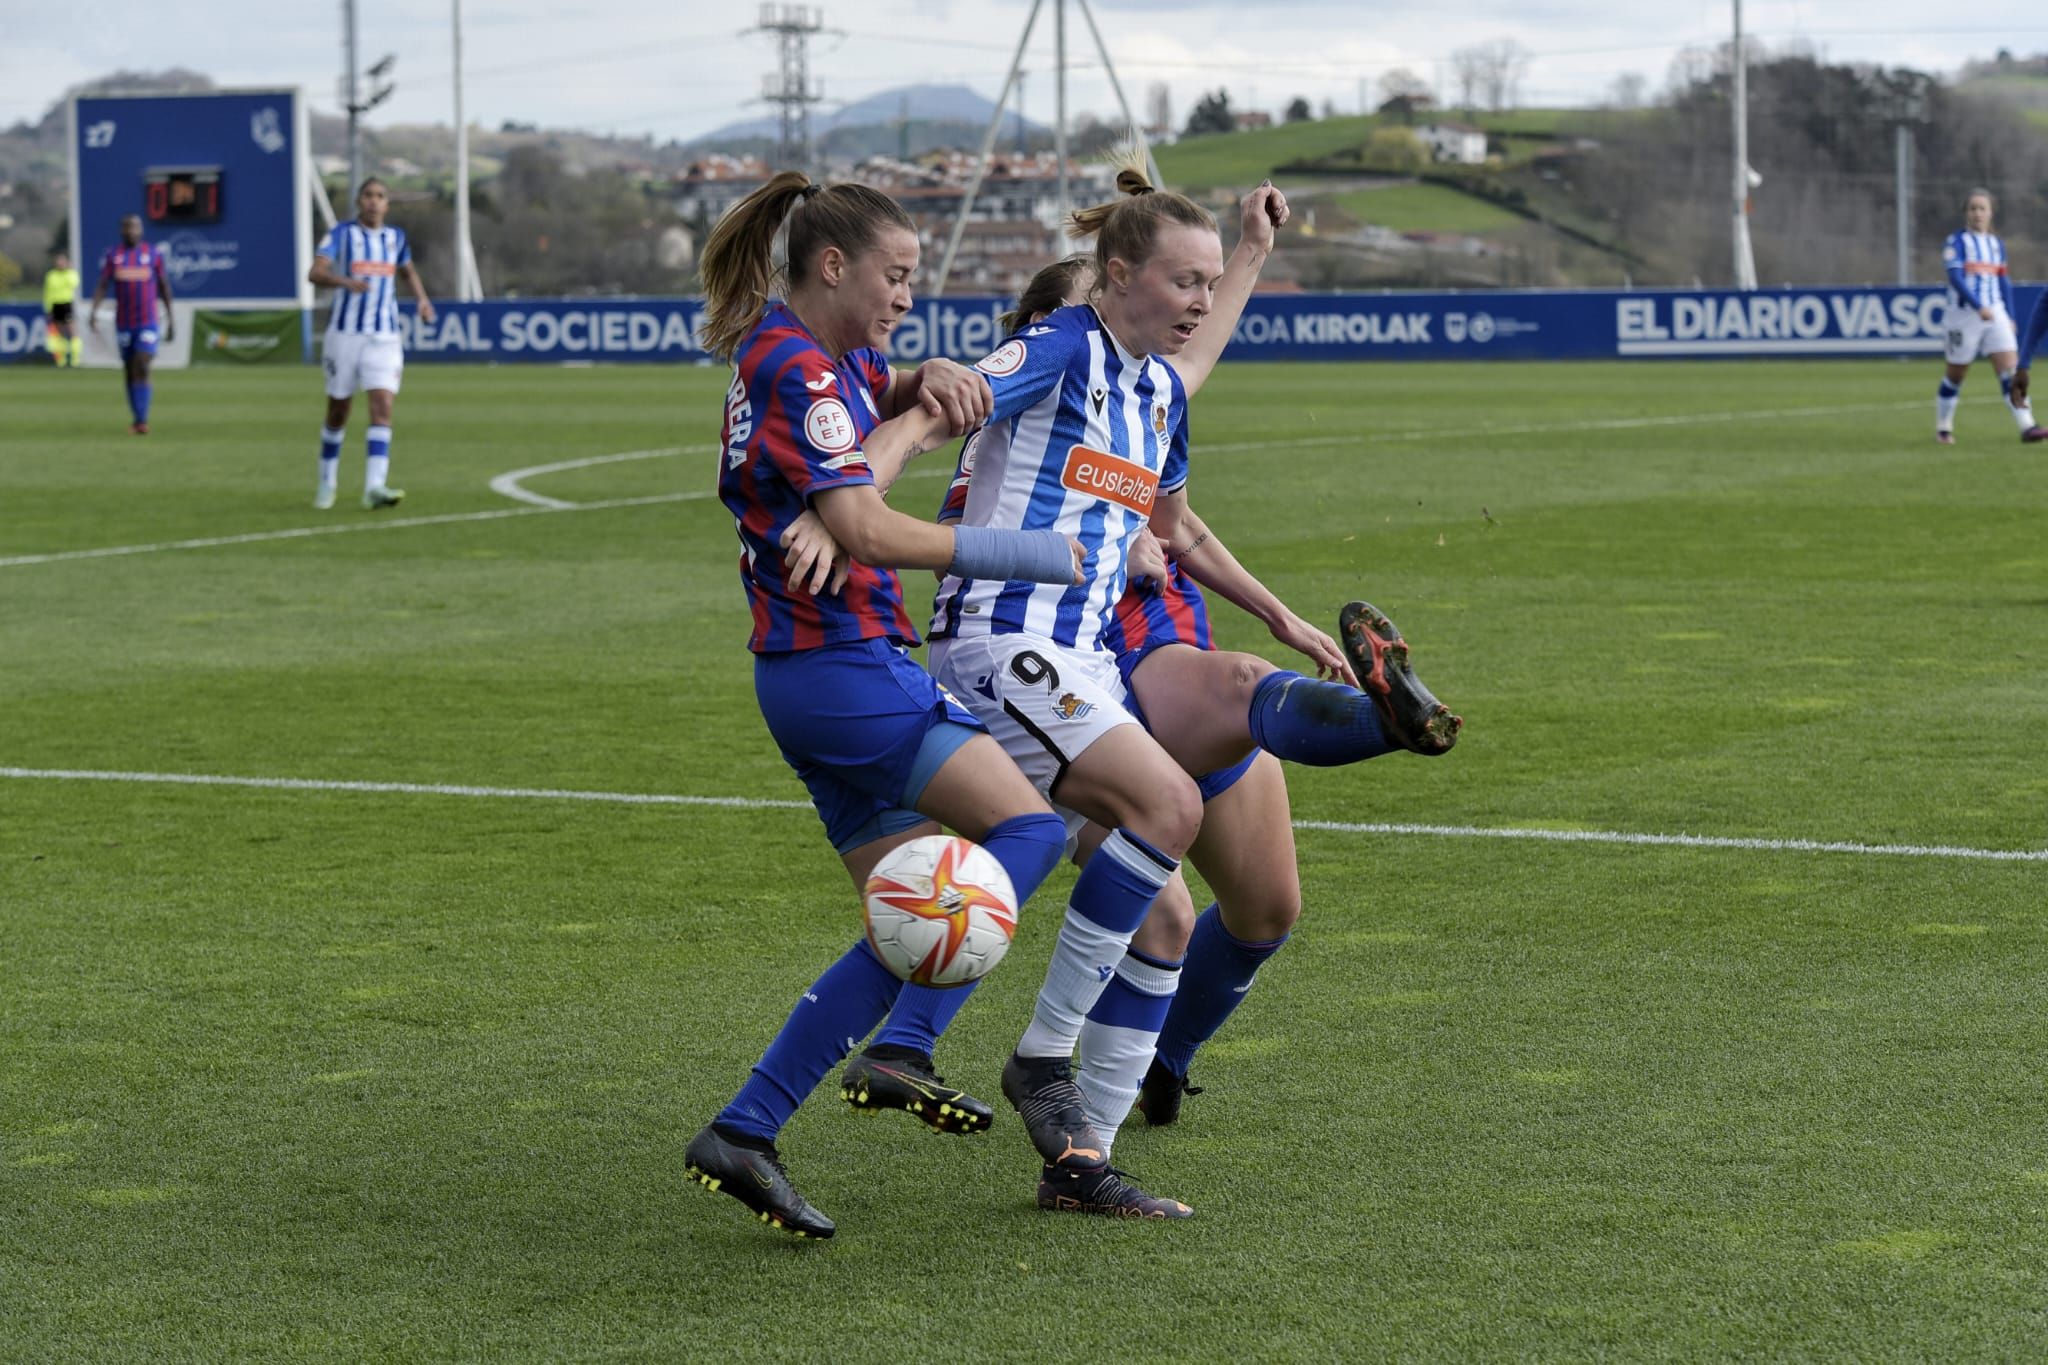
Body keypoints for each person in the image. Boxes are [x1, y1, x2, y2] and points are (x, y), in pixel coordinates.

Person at [910, 155, 1456, 1219]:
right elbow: (954, 432)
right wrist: (857, 484)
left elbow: (1181, 469)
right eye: (1174, 285)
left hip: (1095, 665)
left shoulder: (1144, 395)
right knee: (1187, 776)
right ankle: (1008, 1055)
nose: (1187, 309)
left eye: (1199, 289)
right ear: (1098, 296)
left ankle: (1092, 1144)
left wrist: (1278, 608)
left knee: (1223, 912)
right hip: (1044, 660)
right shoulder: (1053, 376)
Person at [682, 170, 1088, 1240]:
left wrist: (928, 377)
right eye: (896, 276)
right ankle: (904, 1048)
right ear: (832, 267)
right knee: (1029, 829)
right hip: (845, 668)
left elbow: (882, 385)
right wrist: (1028, 552)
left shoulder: (816, 354)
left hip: (805, 675)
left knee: (905, 917)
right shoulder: (800, 371)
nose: (909, 293)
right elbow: (862, 527)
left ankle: (748, 1126)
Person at [308, 179, 436, 510]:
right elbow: (315, 272)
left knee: (382, 406)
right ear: (358, 201)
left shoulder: (396, 238)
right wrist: (342, 281)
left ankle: (374, 487)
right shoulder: (342, 234)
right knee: (339, 410)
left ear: (387, 204)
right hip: (345, 335)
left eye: (380, 197)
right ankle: (327, 482)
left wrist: (422, 301)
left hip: (385, 336)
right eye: (368, 196)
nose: (374, 202)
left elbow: (407, 272)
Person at [1934, 189, 2034, 444]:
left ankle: (2027, 426)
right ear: (1966, 213)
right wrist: (1978, 306)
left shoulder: (1996, 244)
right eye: (1973, 208)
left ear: (1991, 213)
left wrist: (2009, 315)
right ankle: (1944, 427)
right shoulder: (1956, 242)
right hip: (1963, 316)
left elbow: (2004, 281)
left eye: (1982, 208)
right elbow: (1955, 278)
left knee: (2010, 370)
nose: (1978, 213)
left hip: (1995, 313)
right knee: (1956, 374)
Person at [87, 215, 173, 434]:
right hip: (124, 323)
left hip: (148, 322)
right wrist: (94, 310)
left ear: (141, 230)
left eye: (135, 227)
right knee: (129, 369)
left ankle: (143, 419)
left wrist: (171, 318)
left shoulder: (153, 254)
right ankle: (137, 419)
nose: (131, 231)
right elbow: (103, 284)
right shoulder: (114, 256)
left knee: (142, 365)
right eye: (127, 227)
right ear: (121, 231)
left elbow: (163, 286)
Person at [41, 251, 81, 368]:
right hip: (55, 306)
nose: (60, 263)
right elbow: (48, 293)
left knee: (72, 332)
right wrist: (48, 309)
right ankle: (61, 360)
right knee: (59, 334)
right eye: (58, 261)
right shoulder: (51, 275)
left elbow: (74, 283)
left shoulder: (70, 274)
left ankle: (75, 360)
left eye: (62, 261)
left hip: (66, 304)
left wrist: (69, 270)